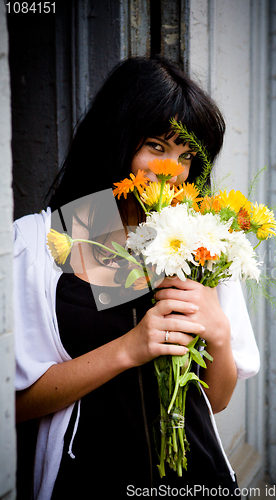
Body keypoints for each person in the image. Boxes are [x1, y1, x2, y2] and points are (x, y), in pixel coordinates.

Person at [13, 56, 260, 499]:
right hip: (90, 480)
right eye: (156, 146)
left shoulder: (200, 239)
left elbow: (215, 401)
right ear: (118, 138)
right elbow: (17, 402)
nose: (172, 170)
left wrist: (219, 334)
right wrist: (129, 348)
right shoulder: (52, 239)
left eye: (186, 155)